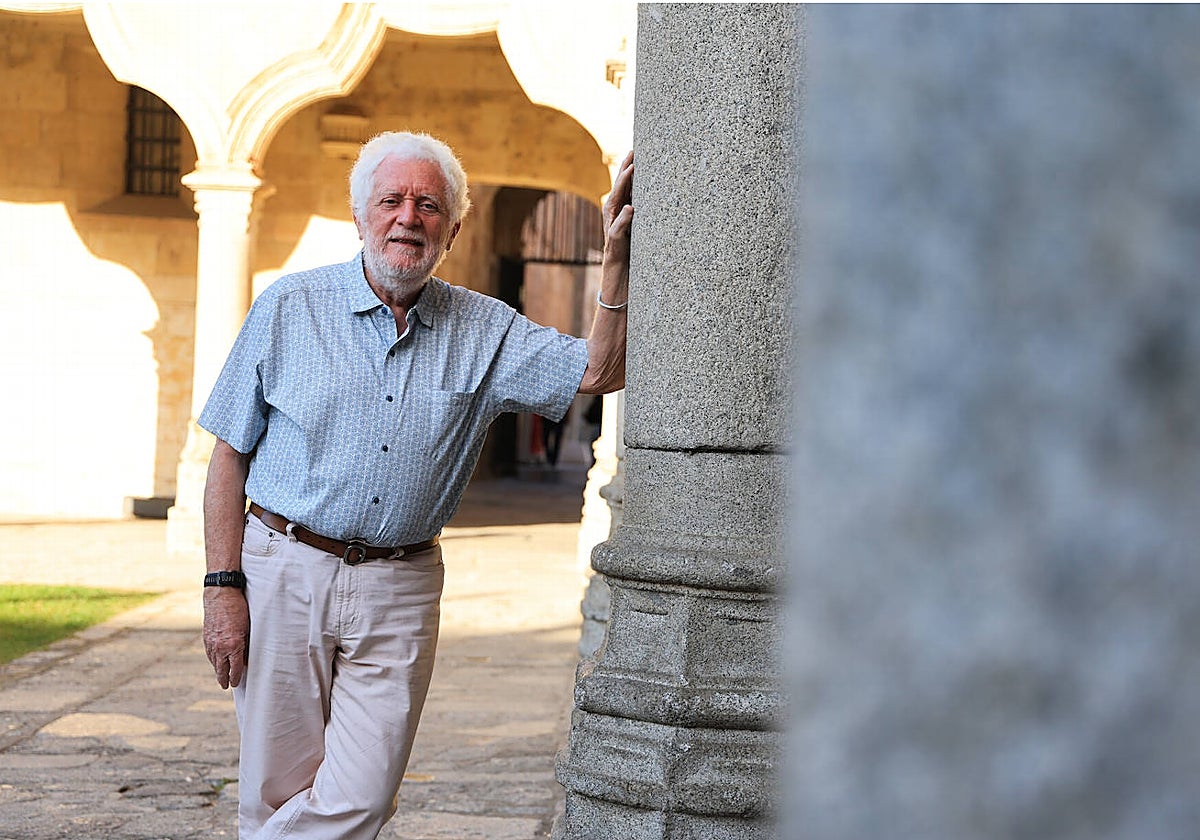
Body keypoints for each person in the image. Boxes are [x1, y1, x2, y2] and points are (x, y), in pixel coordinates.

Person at [199, 131, 633, 839]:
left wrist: (615, 264)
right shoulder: (288, 308)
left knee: (363, 798)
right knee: (274, 793)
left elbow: (598, 373)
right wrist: (223, 586)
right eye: (392, 200)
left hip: (400, 585)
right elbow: (227, 456)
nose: (409, 217)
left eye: (429, 205)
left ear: (454, 228)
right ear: (359, 213)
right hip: (283, 566)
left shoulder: (485, 330)